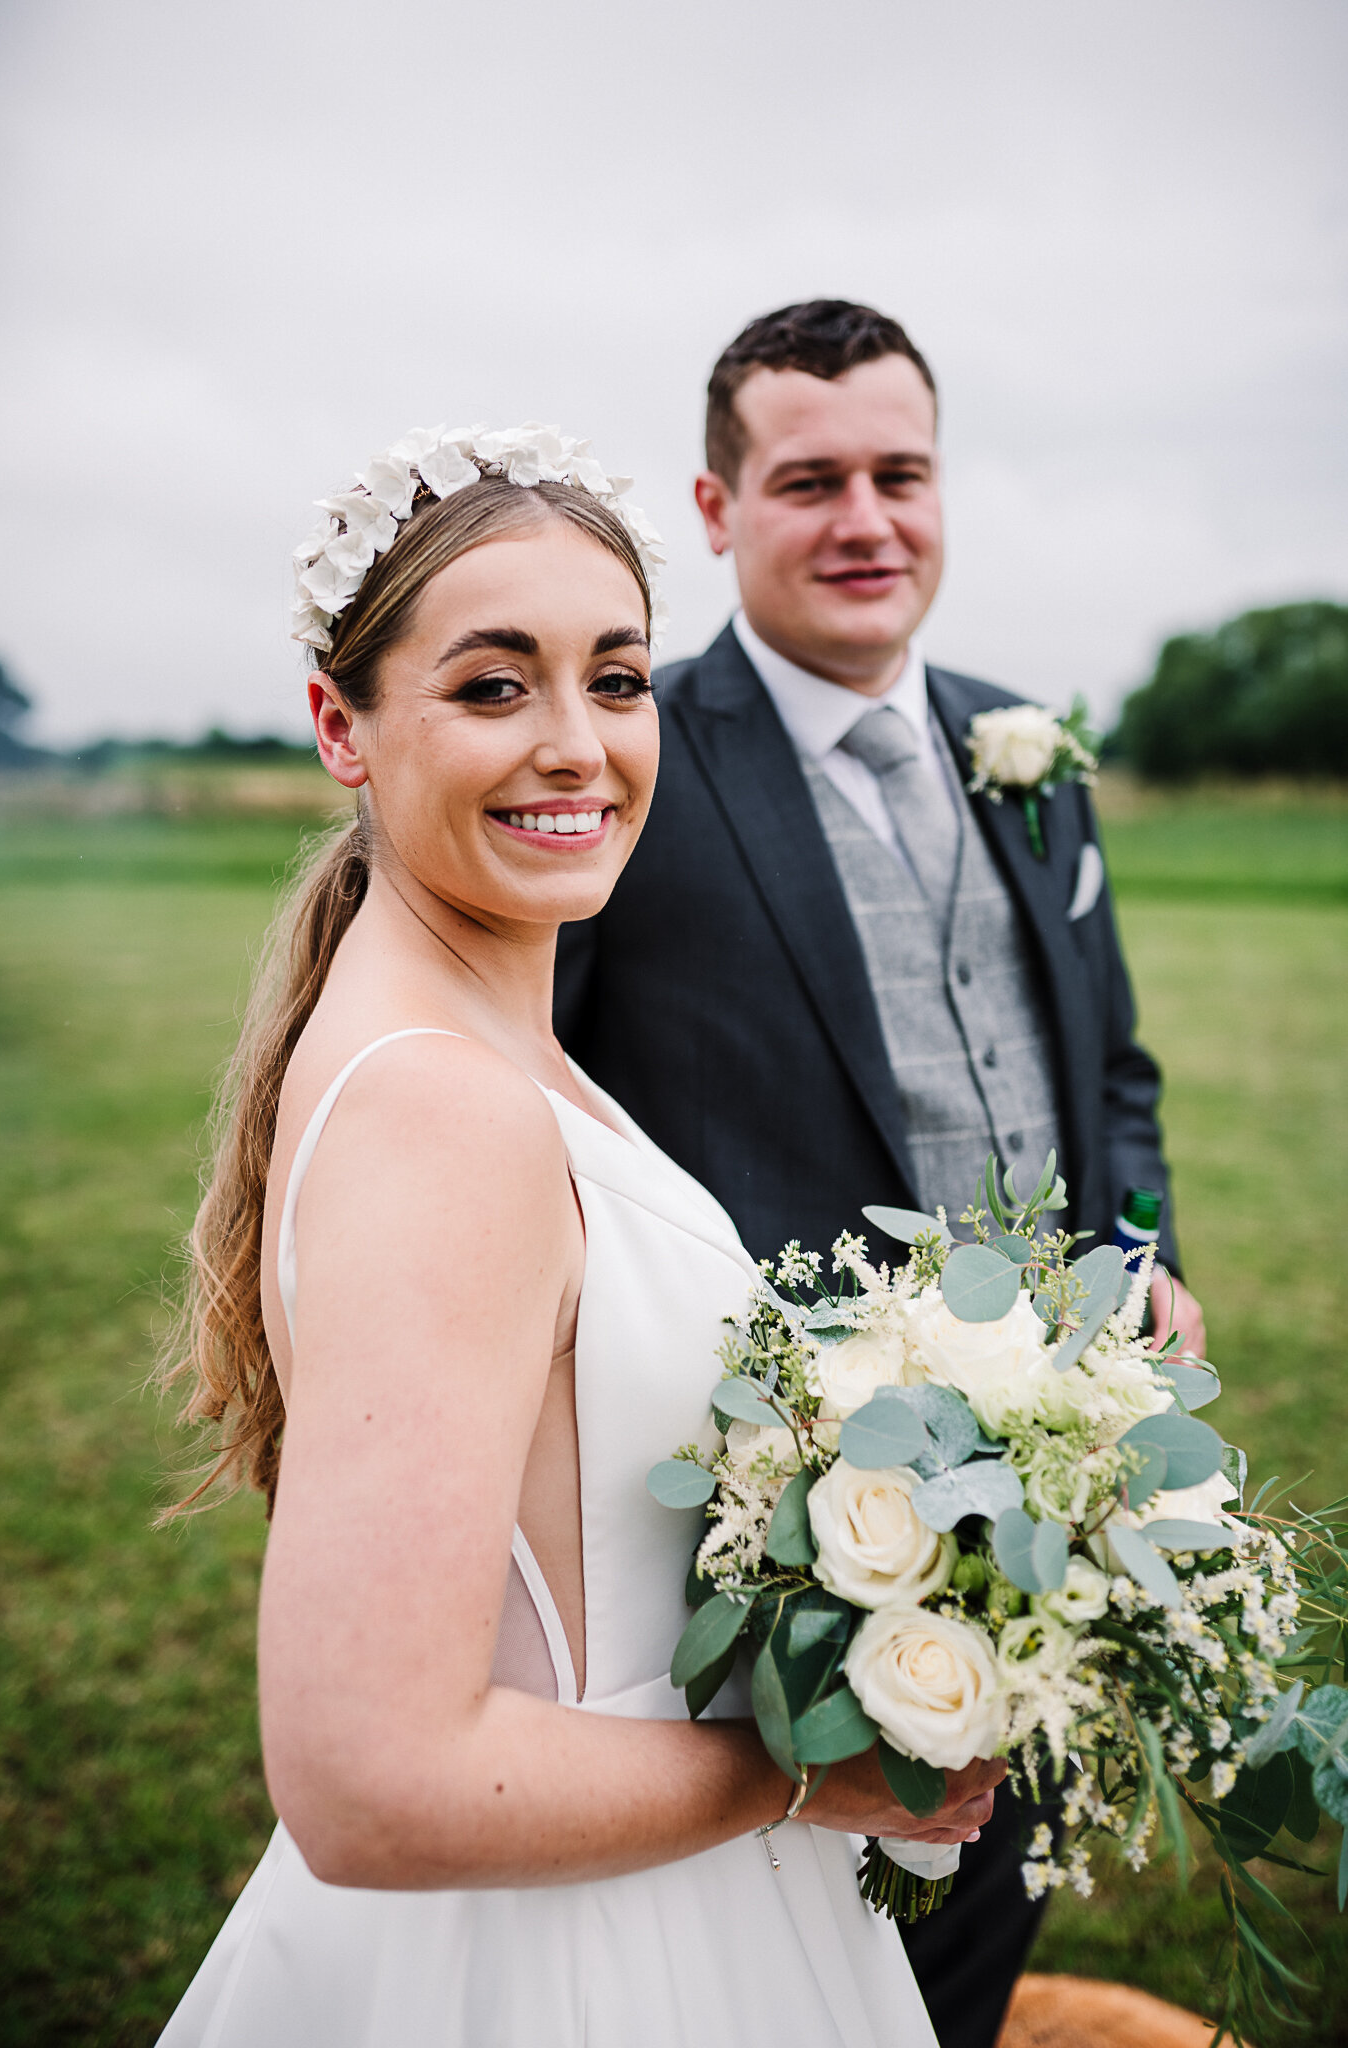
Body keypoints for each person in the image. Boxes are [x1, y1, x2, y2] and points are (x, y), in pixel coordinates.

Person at [155, 425, 1003, 2048]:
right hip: (573, 1971)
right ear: (342, 725)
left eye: (616, 681)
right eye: (492, 687)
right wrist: (817, 1765)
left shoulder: (490, 1052)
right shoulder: (442, 1112)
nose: (578, 747)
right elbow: (369, 1786)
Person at [553, 304, 1207, 2048]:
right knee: (795, 1931)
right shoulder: (632, 755)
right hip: (772, 1492)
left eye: (899, 474)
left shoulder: (1029, 751)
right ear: (716, 507)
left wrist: (1137, 1257)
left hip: (1049, 1452)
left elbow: (1110, 1074)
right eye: (809, 479)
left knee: (989, 1868)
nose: (865, 519)